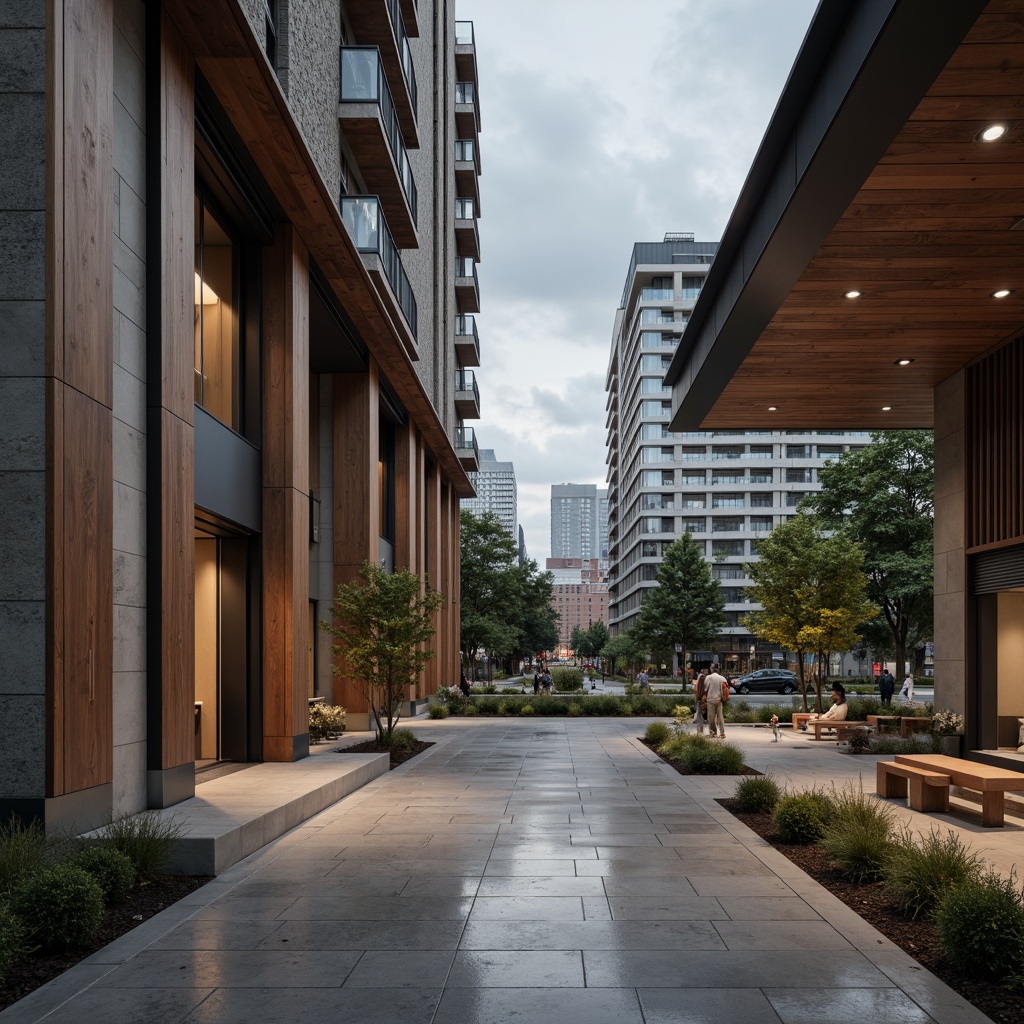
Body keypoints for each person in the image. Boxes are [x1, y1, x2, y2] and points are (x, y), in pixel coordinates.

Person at [703, 663, 728, 739]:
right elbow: (726, 688)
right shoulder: (722, 678)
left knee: (711, 717)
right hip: (719, 699)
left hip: (710, 699)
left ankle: (713, 733)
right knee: (720, 717)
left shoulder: (708, 677)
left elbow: (705, 689)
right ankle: (722, 733)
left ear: (712, 669)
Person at [693, 668, 707, 734]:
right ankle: (701, 729)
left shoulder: (699, 681)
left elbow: (696, 690)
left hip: (699, 699)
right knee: (702, 714)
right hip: (703, 700)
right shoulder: (704, 680)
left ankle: (699, 729)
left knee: (699, 715)